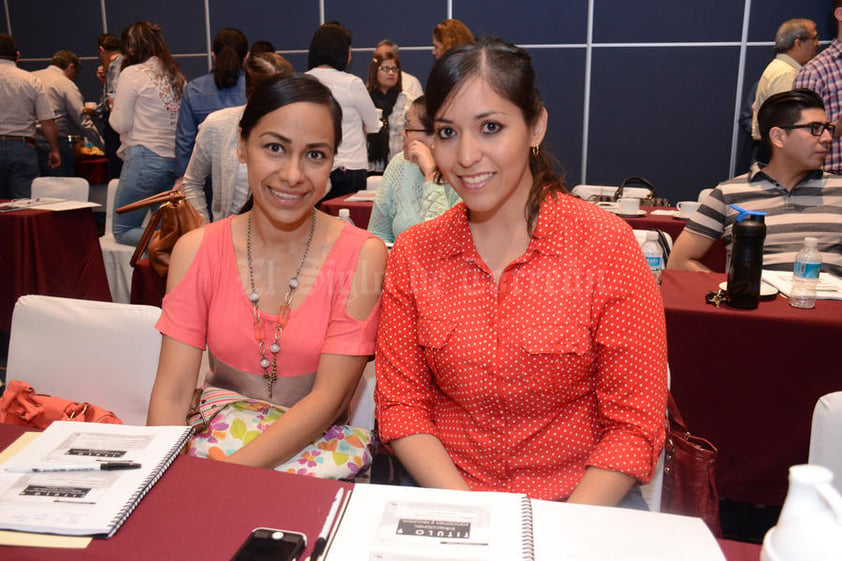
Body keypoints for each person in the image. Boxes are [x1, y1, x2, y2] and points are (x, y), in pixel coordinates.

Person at [374, 37, 667, 506]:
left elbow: (633, 424)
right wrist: (477, 520)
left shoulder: (604, 245)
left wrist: (556, 532)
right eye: (447, 132)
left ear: (536, 127)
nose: (466, 156)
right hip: (448, 495)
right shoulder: (415, 253)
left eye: (490, 127)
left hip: (581, 501)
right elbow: (402, 407)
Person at [147, 73, 387, 472]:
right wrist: (162, 482)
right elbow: (172, 395)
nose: (293, 175)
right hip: (211, 447)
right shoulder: (198, 250)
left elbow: (327, 400)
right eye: (275, 148)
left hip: (310, 460)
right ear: (242, 146)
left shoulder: (362, 255)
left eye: (315, 155)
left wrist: (222, 480)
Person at [668, 89, 842, 276]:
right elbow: (679, 261)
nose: (827, 138)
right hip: (756, 302)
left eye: (827, 128)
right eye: (815, 128)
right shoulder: (729, 194)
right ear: (778, 137)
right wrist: (731, 288)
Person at [183, 52, 293, 223]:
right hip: (228, 234)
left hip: (283, 236)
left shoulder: (296, 129)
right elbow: (192, 183)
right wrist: (203, 227)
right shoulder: (218, 125)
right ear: (251, 94)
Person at [109, 21, 185, 245]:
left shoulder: (132, 73)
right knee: (160, 226)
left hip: (144, 158)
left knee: (122, 230)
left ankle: (175, 244)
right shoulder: (175, 75)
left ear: (129, 48)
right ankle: (174, 246)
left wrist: (113, 105)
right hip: (172, 162)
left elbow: (120, 124)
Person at [367, 95, 460, 244]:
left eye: (408, 127)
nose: (402, 133)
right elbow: (378, 234)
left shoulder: (464, 175)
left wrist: (431, 173)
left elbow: (441, 241)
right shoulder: (399, 164)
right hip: (399, 264)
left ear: (435, 136)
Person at [307, 22, 380, 199]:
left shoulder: (303, 81)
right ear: (342, 52)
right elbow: (373, 124)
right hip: (350, 167)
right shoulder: (351, 83)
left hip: (313, 165)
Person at [175, 28, 248, 181]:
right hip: (246, 174)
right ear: (246, 57)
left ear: (213, 55)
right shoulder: (257, 89)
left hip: (205, 176)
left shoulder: (194, 89)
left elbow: (185, 141)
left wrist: (183, 177)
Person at [0, 33, 60, 199]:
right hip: (22, 146)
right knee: (25, 205)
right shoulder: (31, 80)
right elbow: (47, 120)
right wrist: (54, 150)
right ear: (17, 55)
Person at [33, 49, 104, 177]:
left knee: (36, 189)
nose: (75, 77)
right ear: (71, 66)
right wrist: (102, 145)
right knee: (62, 188)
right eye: (76, 72)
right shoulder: (65, 84)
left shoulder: (31, 78)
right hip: (55, 142)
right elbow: (81, 119)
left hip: (29, 142)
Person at [751, 19, 819, 143]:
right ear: (798, 43)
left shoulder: (780, 68)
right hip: (778, 150)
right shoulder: (786, 75)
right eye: (814, 38)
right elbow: (785, 122)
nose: (818, 44)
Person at [794, 1, 842, 174]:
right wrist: (836, 129)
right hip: (831, 180)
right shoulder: (815, 72)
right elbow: (797, 136)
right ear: (840, 14)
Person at [366, 52, 405, 172]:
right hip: (370, 167)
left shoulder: (407, 101)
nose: (391, 73)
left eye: (394, 69)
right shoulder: (364, 99)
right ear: (375, 71)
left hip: (399, 168)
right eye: (385, 68)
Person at [92, 32, 124, 180]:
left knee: (116, 171)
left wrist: (96, 109)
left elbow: (114, 95)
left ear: (101, 50)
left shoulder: (115, 65)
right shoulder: (124, 63)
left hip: (115, 126)